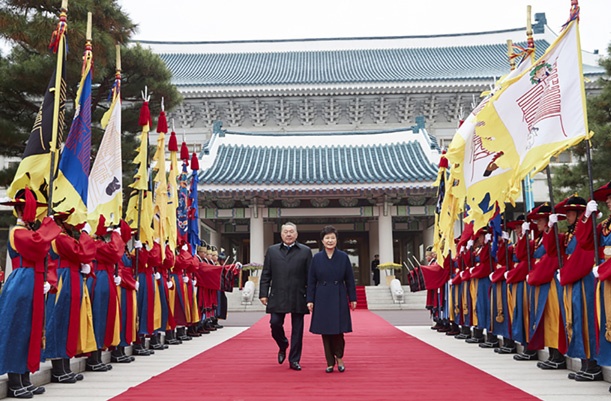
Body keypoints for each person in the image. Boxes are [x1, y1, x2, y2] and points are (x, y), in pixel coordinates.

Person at [259, 222, 312, 371]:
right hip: (278, 294)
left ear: (296, 234)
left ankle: (294, 359)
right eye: (285, 232)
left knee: (298, 330)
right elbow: (266, 274)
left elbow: (310, 276)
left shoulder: (305, 251)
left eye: (291, 232)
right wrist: (263, 293)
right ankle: (283, 344)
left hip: (298, 295)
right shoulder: (272, 251)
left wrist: (311, 297)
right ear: (281, 234)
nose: (288, 234)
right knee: (275, 323)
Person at [307, 225, 357, 373]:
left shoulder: (343, 257)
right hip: (321, 296)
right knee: (325, 331)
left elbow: (349, 279)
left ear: (336, 240)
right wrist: (310, 299)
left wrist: (352, 298)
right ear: (322, 241)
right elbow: (311, 281)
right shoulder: (316, 258)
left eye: (332, 238)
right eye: (327, 238)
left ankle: (339, 357)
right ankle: (329, 362)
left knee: (338, 330)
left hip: (339, 295)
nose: (330, 240)